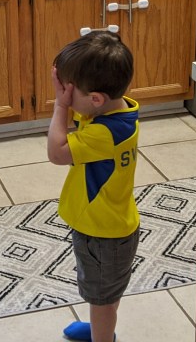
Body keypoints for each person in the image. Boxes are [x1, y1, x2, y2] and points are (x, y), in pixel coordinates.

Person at [47, 31, 141, 342]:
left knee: (102, 299)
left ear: (96, 99)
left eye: (69, 92)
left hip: (102, 235)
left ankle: (103, 335)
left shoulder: (103, 133)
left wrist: (60, 107)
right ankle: (103, 328)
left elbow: (57, 153)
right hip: (112, 227)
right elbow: (82, 118)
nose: (65, 97)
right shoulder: (120, 112)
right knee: (105, 293)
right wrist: (72, 97)